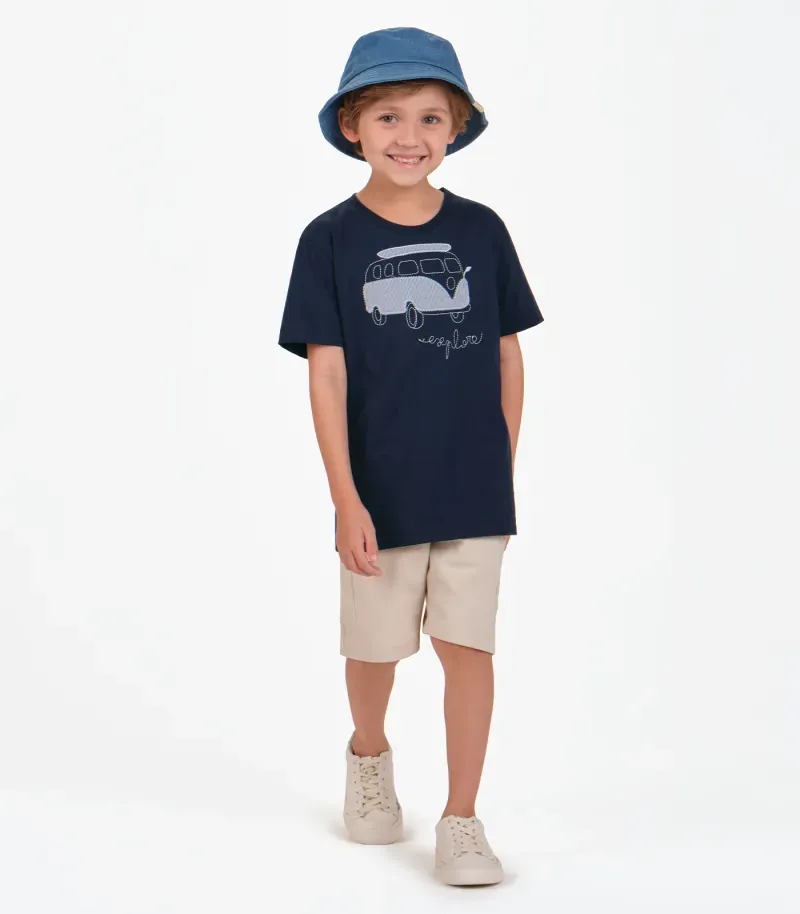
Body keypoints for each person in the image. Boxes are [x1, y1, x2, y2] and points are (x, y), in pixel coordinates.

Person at [278, 26, 544, 887]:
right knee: (375, 649)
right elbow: (326, 375)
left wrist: (499, 463)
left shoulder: (482, 230)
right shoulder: (328, 239)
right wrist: (346, 498)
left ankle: (461, 819)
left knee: (470, 648)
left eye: (431, 117)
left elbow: (506, 355)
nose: (409, 136)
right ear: (352, 125)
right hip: (380, 489)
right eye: (388, 115)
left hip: (473, 487)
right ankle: (369, 754)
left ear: (456, 129)